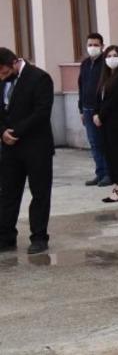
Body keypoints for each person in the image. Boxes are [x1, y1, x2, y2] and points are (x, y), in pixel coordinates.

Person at [0, 49, 55, 255]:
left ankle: (39, 237)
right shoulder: (1, 79)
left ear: (14, 62)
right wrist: (2, 132)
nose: (2, 77)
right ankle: (6, 236)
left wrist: (15, 132)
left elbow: (42, 112)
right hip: (9, 147)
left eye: (4, 73)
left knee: (39, 193)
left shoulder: (39, 78)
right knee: (8, 193)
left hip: (36, 147)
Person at [94, 46, 118, 203]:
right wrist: (95, 113)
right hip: (104, 121)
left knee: (115, 154)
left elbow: (116, 99)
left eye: (115, 55)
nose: (112, 58)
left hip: (116, 121)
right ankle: (117, 186)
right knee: (108, 153)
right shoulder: (105, 76)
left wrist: (101, 115)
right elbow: (99, 98)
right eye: (109, 56)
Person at [78, 32, 110, 187]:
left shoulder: (106, 63)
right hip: (87, 109)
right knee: (94, 143)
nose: (92, 47)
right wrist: (81, 109)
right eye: (90, 45)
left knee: (103, 142)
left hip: (100, 111)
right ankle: (100, 173)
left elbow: (107, 88)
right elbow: (81, 86)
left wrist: (101, 112)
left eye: (96, 45)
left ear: (102, 46)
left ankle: (109, 174)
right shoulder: (85, 64)